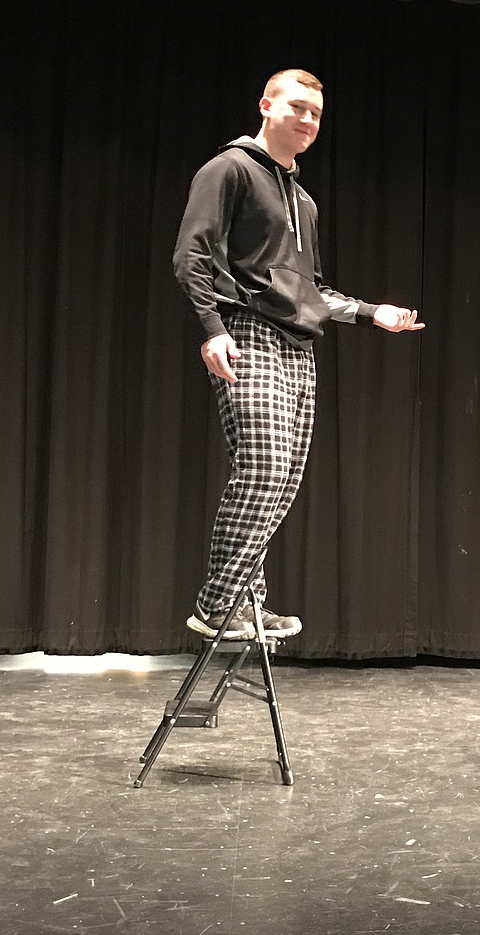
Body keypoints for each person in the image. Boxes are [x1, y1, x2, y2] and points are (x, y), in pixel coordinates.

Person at [172, 68, 422, 641]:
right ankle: (216, 605)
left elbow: (311, 289)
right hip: (248, 333)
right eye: (298, 108)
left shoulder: (303, 200)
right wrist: (212, 328)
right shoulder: (229, 169)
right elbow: (192, 254)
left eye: (316, 114)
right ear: (266, 105)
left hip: (298, 348)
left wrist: (369, 312)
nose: (308, 121)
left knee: (280, 480)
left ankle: (247, 604)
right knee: (261, 470)